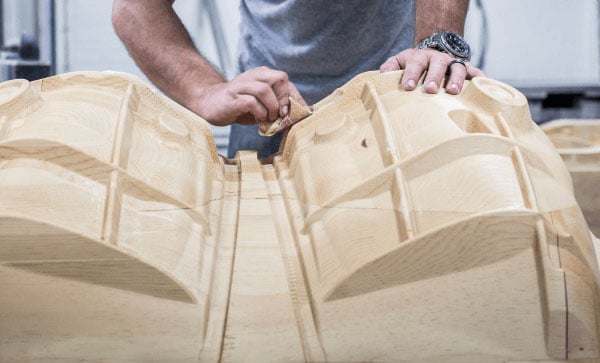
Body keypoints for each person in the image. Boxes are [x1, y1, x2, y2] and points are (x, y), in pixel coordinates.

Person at [112, 0, 485, 158]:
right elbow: (135, 8)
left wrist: (437, 42)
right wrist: (204, 91)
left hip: (397, 108)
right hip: (271, 119)